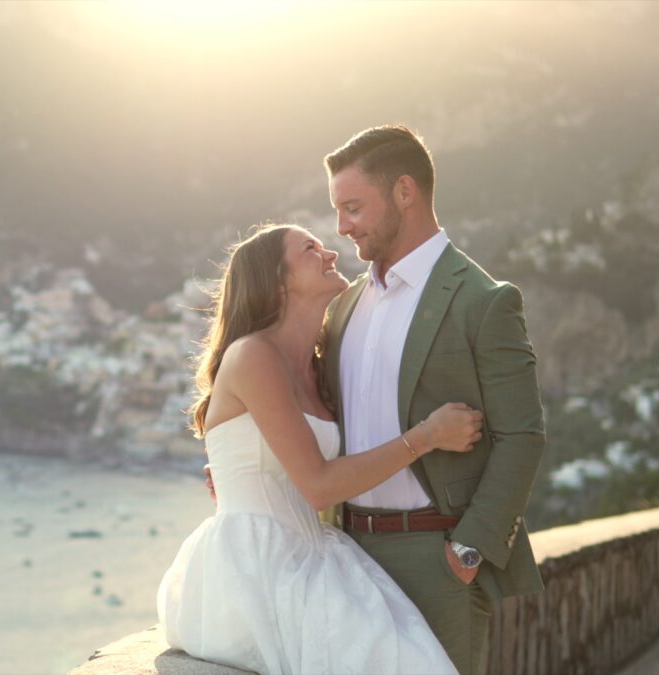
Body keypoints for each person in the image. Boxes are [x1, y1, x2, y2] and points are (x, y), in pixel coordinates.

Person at [157, 222, 484, 674]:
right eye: (310, 248)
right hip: (253, 567)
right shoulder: (252, 355)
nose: (330, 253)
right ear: (278, 282)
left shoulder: (319, 365)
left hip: (314, 554)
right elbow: (319, 486)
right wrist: (427, 436)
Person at [318, 125, 545, 674]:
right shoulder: (343, 306)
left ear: (404, 191)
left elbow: (523, 437)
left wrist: (467, 551)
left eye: (353, 208)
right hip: (345, 554)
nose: (341, 227)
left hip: (436, 560)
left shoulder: (482, 301)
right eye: (338, 211)